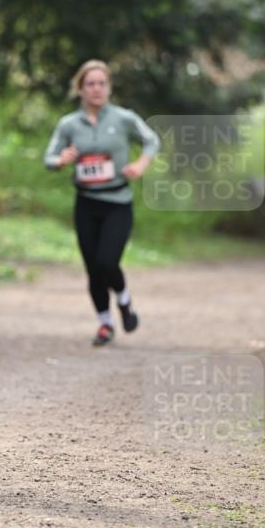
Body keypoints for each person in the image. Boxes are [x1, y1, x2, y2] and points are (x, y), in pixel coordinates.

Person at [44, 59, 159, 346]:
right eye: (90, 84)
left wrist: (140, 165)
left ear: (109, 88)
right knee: (93, 267)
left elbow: (152, 140)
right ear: (80, 89)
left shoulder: (123, 118)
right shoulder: (69, 124)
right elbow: (49, 158)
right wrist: (61, 161)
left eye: (102, 83)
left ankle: (124, 300)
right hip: (86, 204)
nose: (96, 89)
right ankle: (105, 324)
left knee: (108, 261)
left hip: (118, 201)